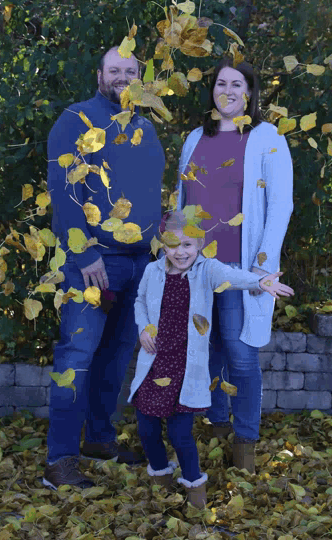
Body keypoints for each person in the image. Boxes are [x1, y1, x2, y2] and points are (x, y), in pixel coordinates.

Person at [43, 46, 165, 490]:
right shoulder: (76, 121)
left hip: (140, 264)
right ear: (99, 75)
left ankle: (99, 439)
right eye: (114, 70)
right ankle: (60, 460)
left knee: (116, 358)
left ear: (139, 78)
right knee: (77, 355)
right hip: (93, 263)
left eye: (129, 71)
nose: (121, 77)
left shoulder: (146, 129)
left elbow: (150, 192)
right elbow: (62, 188)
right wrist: (84, 253)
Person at [127, 210, 294, 508]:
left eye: (189, 245)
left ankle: (195, 492)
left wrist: (262, 282)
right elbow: (139, 301)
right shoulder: (152, 272)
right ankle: (161, 479)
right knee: (146, 428)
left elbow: (233, 277)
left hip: (183, 367)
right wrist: (143, 330)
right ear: (163, 246)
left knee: (180, 433)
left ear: (200, 245)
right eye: (174, 245)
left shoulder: (206, 270)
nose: (181, 252)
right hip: (154, 363)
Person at [176, 57, 294, 474]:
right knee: (205, 353)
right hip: (197, 270)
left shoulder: (267, 139)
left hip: (243, 271)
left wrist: (262, 268)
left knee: (241, 358)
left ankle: (245, 442)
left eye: (236, 83)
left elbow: (280, 206)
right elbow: (182, 202)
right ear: (212, 91)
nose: (227, 89)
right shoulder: (194, 139)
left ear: (249, 93)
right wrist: (172, 255)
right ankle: (217, 425)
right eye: (220, 83)